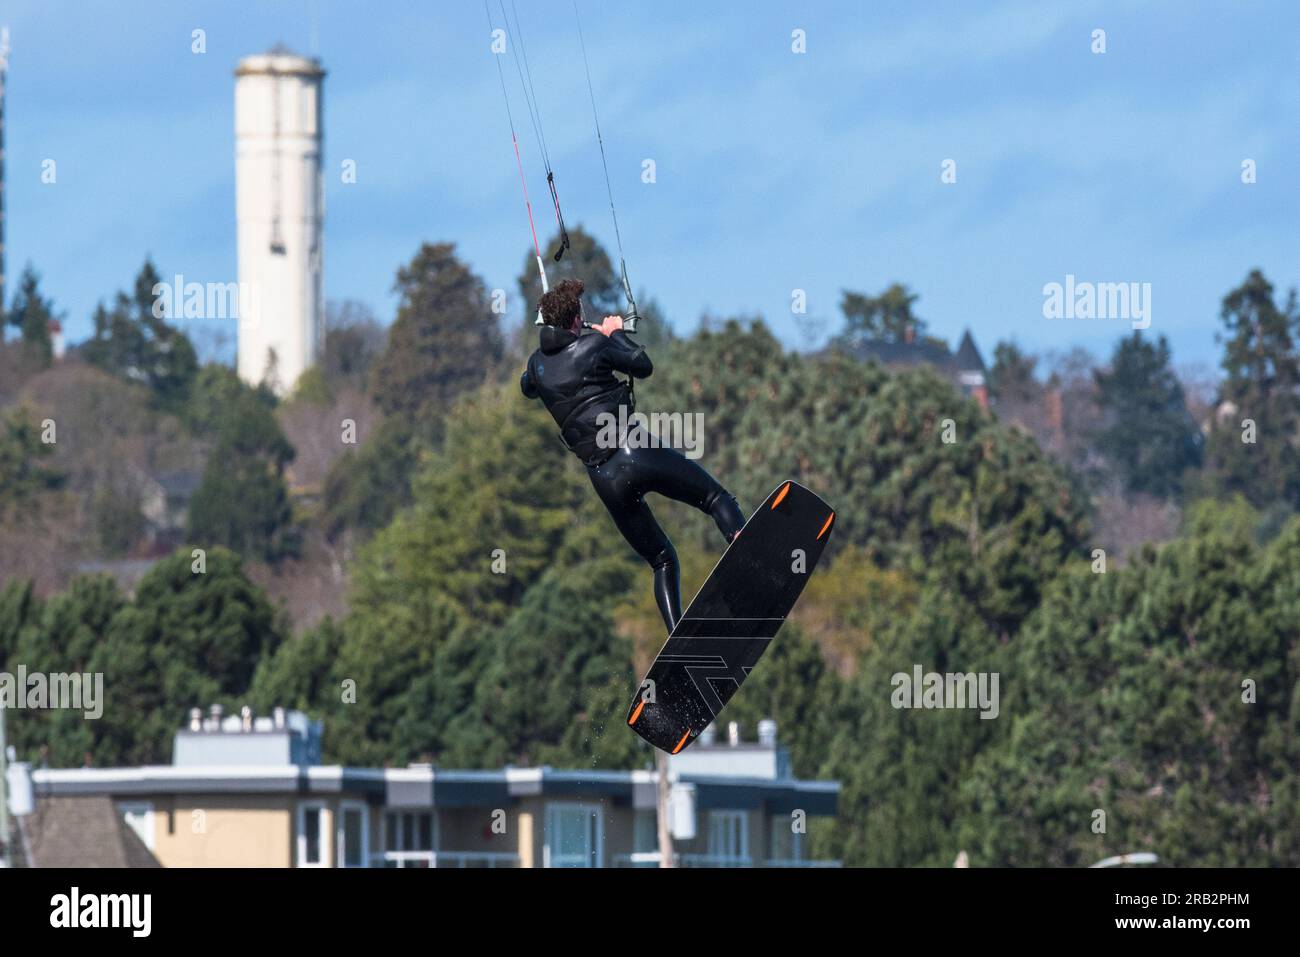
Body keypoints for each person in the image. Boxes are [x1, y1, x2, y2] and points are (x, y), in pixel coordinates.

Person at [520, 278, 745, 633]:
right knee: (716, 498)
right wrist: (614, 334)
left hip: (604, 478)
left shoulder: (536, 365)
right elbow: (643, 365)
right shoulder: (595, 345)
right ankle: (748, 554)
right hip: (635, 449)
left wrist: (555, 341)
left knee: (661, 560)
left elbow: (528, 385)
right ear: (577, 319)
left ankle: (677, 637)